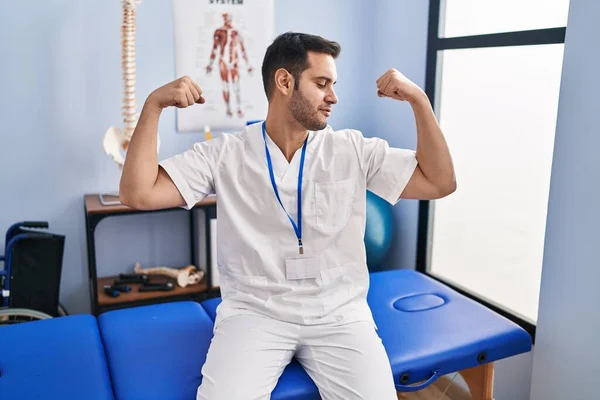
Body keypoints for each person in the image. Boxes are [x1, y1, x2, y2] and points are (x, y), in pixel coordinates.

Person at [120, 32, 456, 400]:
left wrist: (418, 100)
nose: (334, 97)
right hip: (255, 314)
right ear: (284, 81)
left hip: (339, 314)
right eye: (322, 83)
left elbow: (439, 183)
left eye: (333, 84)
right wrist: (152, 106)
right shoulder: (225, 154)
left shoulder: (352, 149)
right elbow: (138, 193)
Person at [205, 12, 253, 118]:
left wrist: (248, 65)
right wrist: (210, 64)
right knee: (226, 87)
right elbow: (215, 49)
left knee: (236, 87)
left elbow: (242, 49)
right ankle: (228, 109)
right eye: (226, 18)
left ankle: (239, 108)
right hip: (223, 62)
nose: (228, 20)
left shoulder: (236, 32)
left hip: (234, 62)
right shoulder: (219, 32)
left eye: (229, 18)